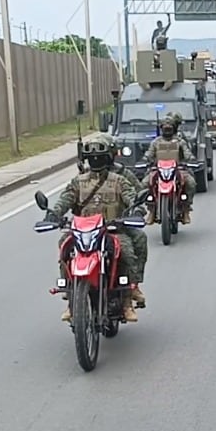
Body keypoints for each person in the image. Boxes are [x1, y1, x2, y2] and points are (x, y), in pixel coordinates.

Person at [46, 136, 144, 322]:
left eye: (99, 156)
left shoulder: (119, 180)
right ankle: (70, 296)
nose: (96, 161)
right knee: (64, 247)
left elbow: (131, 196)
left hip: (112, 230)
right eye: (92, 157)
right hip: (83, 232)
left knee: (127, 252)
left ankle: (127, 301)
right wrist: (54, 214)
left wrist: (137, 210)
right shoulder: (78, 181)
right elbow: (65, 199)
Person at [143, 112, 197, 225]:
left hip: (178, 169)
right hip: (158, 170)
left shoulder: (180, 141)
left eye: (170, 128)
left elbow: (187, 154)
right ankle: (152, 210)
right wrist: (144, 160)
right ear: (161, 128)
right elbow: (149, 154)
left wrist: (191, 159)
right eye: (165, 128)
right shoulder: (156, 142)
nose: (167, 130)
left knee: (191, 183)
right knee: (145, 183)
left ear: (174, 128)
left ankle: (186, 209)